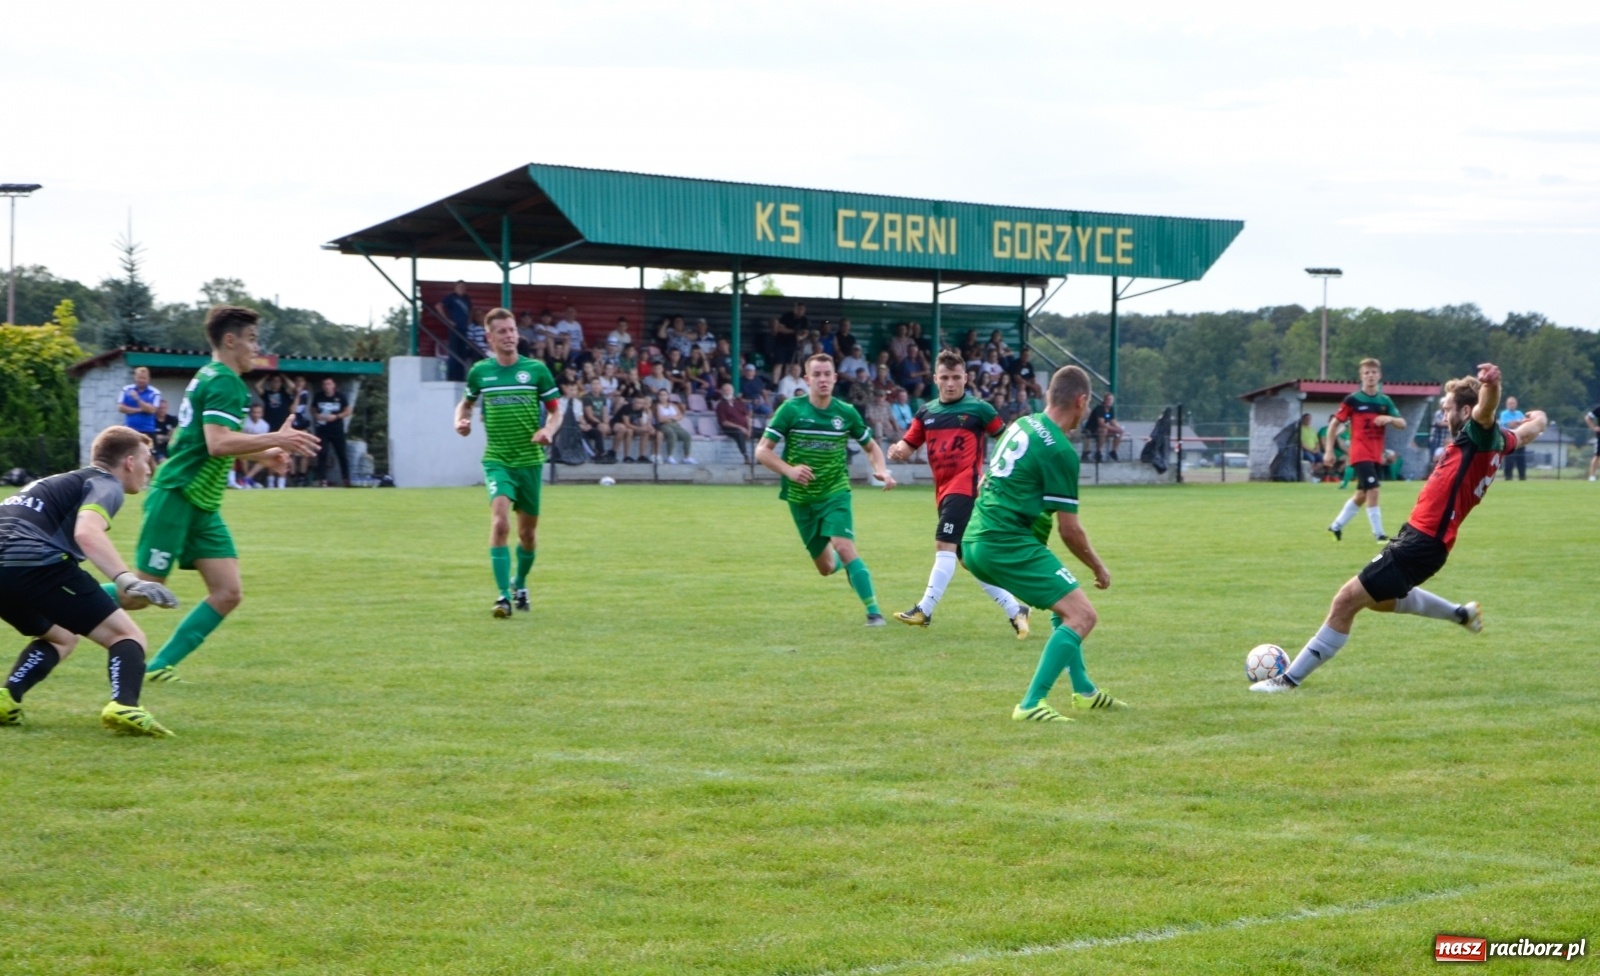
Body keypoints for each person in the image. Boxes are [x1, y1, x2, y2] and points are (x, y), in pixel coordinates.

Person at [1253, 363, 1548, 693]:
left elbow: (1487, 407)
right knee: (1377, 600)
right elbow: (1528, 432)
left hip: (1421, 543)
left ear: (1465, 411)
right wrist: (1539, 419)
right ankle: (1459, 614)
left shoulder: (1477, 434)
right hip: (1424, 540)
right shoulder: (1496, 440)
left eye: (1447, 408)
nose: (1443, 414)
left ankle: (1287, 681)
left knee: (1345, 601)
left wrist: (1492, 384)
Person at [133, 305, 321, 683]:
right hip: (178, 494)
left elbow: (212, 443)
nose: (256, 347)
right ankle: (52, 599)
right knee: (139, 592)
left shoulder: (211, 375)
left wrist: (264, 453)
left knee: (228, 592)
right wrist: (277, 438)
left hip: (201, 502)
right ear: (230, 340)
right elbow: (217, 444)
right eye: (251, 339)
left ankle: (157, 667)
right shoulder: (225, 382)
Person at [962, 365, 1127, 724]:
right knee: (1083, 615)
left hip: (979, 537)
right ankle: (1031, 703)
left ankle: (1084, 692)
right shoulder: (1061, 451)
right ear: (1081, 401)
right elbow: (1070, 531)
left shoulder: (1021, 424)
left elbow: (990, 484)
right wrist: (1098, 566)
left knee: (1062, 604)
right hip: (1006, 542)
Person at [0, 427, 182, 736]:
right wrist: (128, 581)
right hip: (34, 563)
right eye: (147, 459)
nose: (149, 468)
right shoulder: (105, 484)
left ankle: (7, 698)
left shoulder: (56, 482)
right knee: (127, 635)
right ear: (128, 461)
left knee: (62, 637)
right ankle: (125, 705)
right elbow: (87, 532)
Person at [887, 351, 1029, 636]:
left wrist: (995, 472)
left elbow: (1008, 440)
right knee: (967, 558)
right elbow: (908, 443)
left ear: (965, 378)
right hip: (942, 491)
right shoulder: (926, 413)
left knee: (944, 545)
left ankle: (924, 610)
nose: (951, 383)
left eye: (956, 378)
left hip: (966, 486)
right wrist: (897, 451)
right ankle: (1016, 610)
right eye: (945, 378)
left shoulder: (979, 409)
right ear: (935, 379)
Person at [755, 353, 896, 626]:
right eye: (816, 375)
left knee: (844, 545)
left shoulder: (845, 412)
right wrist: (790, 471)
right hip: (801, 498)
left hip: (835, 491)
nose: (822, 379)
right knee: (826, 567)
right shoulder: (791, 410)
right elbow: (762, 451)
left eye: (827, 374)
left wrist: (882, 470)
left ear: (835, 378)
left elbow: (871, 446)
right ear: (807, 379)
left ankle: (874, 613)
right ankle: (846, 567)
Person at [454, 308, 562, 618]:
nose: (509, 335)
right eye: (501, 331)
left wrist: (548, 430)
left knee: (527, 536)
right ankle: (502, 597)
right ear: (490, 337)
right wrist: (460, 421)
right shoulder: (480, 372)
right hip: (497, 460)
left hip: (529, 461)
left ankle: (520, 582)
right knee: (500, 523)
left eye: (512, 330)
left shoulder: (536, 371)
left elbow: (556, 411)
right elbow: (466, 403)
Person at [1326, 358, 1406, 542]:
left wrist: (1389, 419)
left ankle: (1336, 526)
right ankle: (1379, 535)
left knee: (1363, 494)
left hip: (1376, 454)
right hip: (1360, 453)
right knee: (1374, 490)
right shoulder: (1353, 400)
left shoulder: (1384, 401)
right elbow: (1333, 425)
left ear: (1379, 375)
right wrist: (1329, 450)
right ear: (1361, 376)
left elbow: (1402, 423)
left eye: (1373, 372)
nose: (1370, 376)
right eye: (1366, 373)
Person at [312, 377, 353, 487]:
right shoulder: (319, 396)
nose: (327, 386)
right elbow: (313, 408)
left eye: (329, 384)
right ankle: (323, 480)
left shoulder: (340, 396)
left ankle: (346, 479)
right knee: (322, 454)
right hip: (322, 430)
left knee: (342, 454)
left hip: (337, 430)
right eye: (324, 384)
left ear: (333, 385)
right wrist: (316, 416)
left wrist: (336, 416)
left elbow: (348, 411)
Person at [434, 280, 475, 381]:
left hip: (464, 329)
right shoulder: (451, 297)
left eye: (463, 287)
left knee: (462, 353)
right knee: (454, 352)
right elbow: (438, 306)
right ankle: (451, 377)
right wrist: (448, 320)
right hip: (455, 329)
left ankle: (460, 377)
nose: (462, 289)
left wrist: (469, 320)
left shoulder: (467, 299)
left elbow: (470, 310)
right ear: (455, 288)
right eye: (460, 286)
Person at [611, 393, 657, 463]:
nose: (639, 405)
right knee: (629, 431)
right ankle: (626, 456)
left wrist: (646, 428)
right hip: (619, 424)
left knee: (645, 432)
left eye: (641, 403)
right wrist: (640, 428)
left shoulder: (640, 410)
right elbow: (626, 423)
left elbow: (641, 421)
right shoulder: (626, 408)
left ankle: (641, 456)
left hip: (631, 426)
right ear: (633, 402)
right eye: (638, 402)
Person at [653, 388, 695, 464]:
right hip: (663, 425)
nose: (662, 397)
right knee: (672, 434)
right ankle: (669, 456)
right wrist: (673, 417)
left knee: (687, 436)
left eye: (664, 395)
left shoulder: (673, 405)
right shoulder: (657, 406)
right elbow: (660, 419)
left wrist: (669, 418)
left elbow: (680, 416)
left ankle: (687, 457)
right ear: (658, 396)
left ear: (668, 396)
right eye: (660, 395)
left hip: (675, 425)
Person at [118, 366, 162, 436]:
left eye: (144, 378)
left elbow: (152, 410)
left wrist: (137, 399)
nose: (141, 380)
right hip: (129, 430)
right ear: (135, 377)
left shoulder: (155, 392)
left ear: (148, 379)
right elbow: (120, 408)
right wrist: (140, 409)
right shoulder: (126, 389)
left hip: (148, 430)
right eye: (139, 378)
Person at [580, 378, 615, 462]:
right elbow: (590, 415)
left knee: (607, 427)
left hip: (600, 422)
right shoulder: (587, 397)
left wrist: (606, 423)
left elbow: (605, 412)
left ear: (601, 386)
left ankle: (603, 451)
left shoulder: (602, 397)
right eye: (594, 384)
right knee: (602, 428)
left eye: (598, 384)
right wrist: (600, 423)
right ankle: (600, 453)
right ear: (590, 386)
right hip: (591, 422)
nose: (596, 386)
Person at [716, 383, 753, 461]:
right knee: (739, 433)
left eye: (728, 390)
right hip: (730, 429)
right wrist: (741, 428)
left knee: (764, 433)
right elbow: (724, 422)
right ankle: (746, 456)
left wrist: (749, 429)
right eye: (724, 390)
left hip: (745, 427)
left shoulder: (739, 402)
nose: (726, 392)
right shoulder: (721, 405)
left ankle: (761, 457)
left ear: (732, 391)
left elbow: (747, 416)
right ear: (722, 392)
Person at [1084, 393, 1124, 462]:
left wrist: (1119, 429)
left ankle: (1113, 451)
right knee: (1104, 430)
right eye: (1108, 399)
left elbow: (1113, 421)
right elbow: (1101, 423)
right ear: (1104, 400)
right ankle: (1098, 452)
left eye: (1111, 400)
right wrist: (1115, 428)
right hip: (1093, 429)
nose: (1110, 401)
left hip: (1104, 428)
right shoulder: (1100, 408)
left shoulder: (1111, 409)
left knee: (1119, 433)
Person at [240, 405, 272, 488]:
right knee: (243, 458)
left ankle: (247, 479)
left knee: (266, 458)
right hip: (243, 447)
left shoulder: (265, 425)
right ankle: (247, 481)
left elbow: (263, 442)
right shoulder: (244, 422)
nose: (256, 415)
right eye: (254, 412)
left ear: (262, 414)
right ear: (250, 413)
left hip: (256, 448)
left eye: (258, 413)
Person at [1497, 395, 1527, 480]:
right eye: (1510, 403)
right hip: (1509, 439)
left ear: (1516, 404)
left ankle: (1522, 477)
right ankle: (1508, 478)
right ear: (1507, 405)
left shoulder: (1519, 413)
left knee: (1521, 460)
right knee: (1509, 460)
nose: (1512, 405)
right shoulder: (1504, 414)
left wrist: (1517, 423)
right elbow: (1509, 425)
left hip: (1520, 440)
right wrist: (1518, 423)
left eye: (1513, 403)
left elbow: (1525, 423)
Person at [1587, 403, 1600, 481]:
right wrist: (1594, 428)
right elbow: (1588, 417)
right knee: (1597, 455)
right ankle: (1592, 476)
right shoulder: (1598, 409)